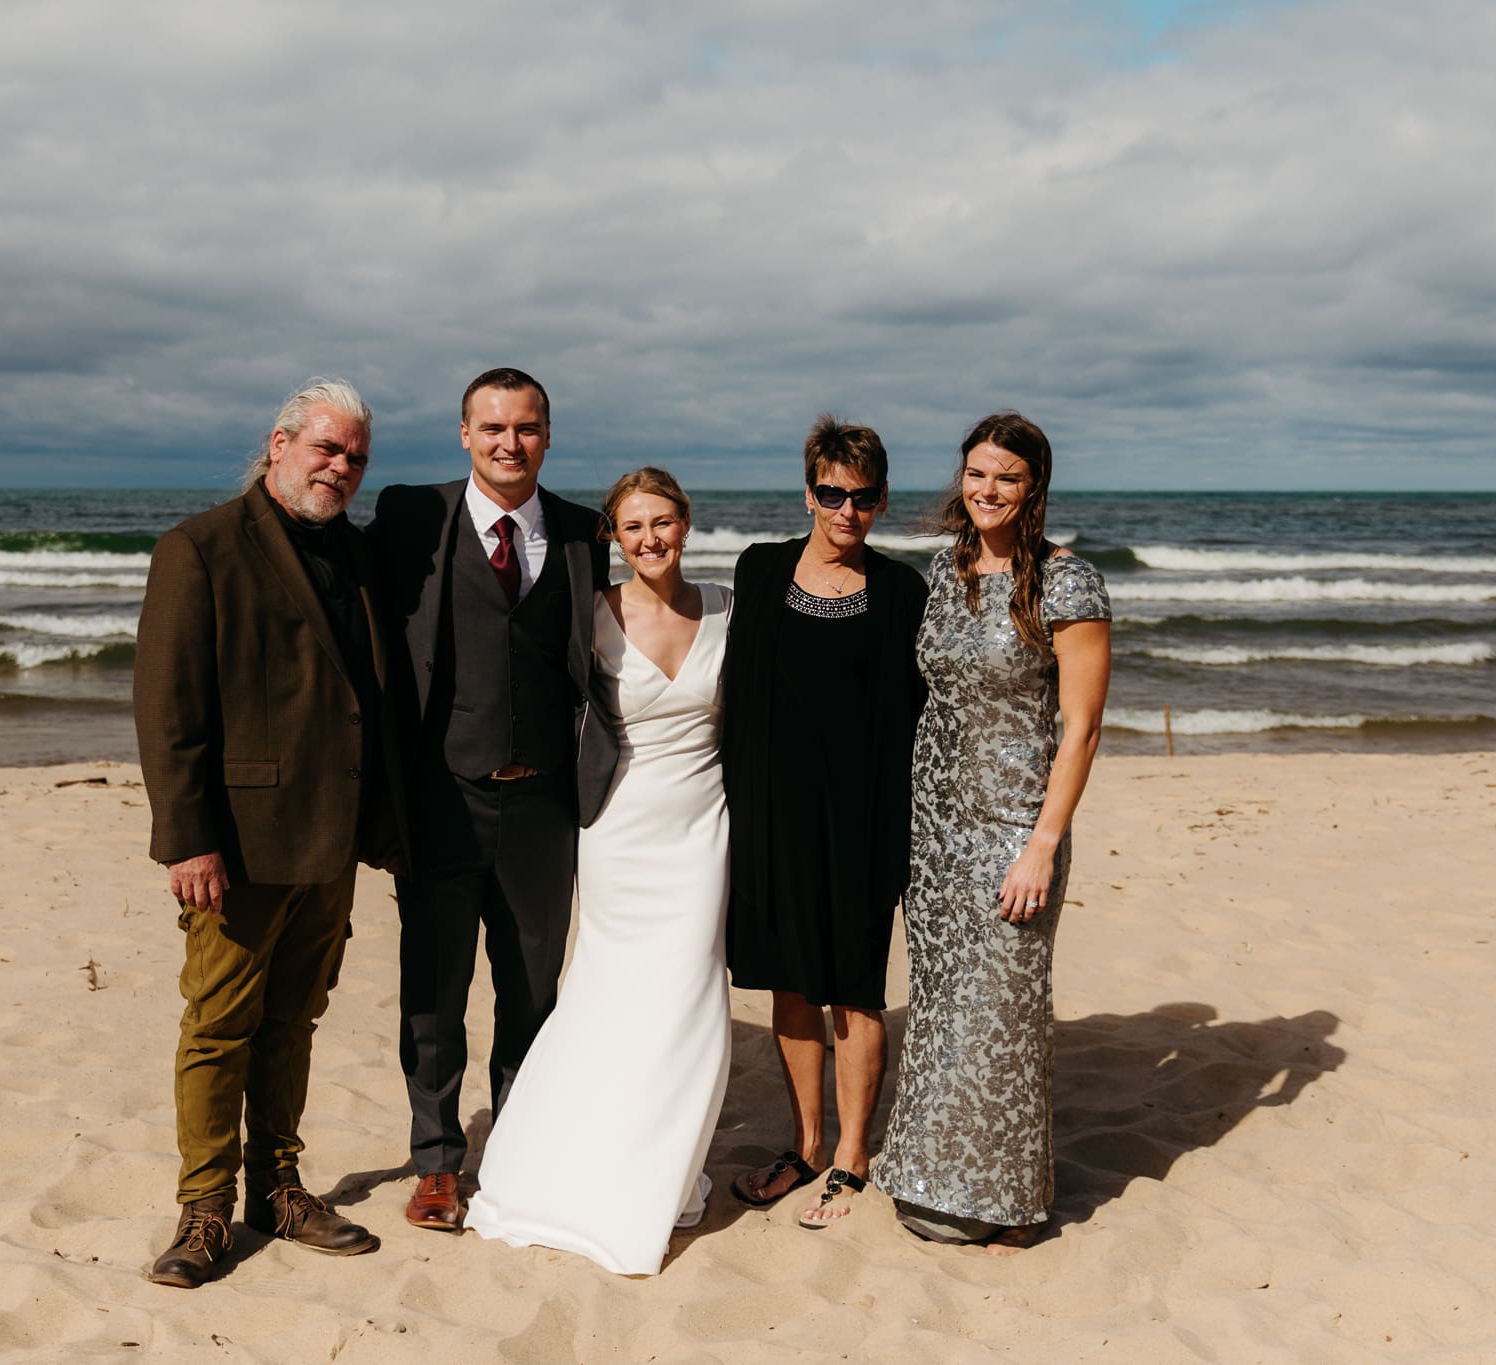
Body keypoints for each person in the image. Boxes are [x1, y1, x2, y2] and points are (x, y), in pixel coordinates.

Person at [133, 377, 410, 1288]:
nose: (341, 468)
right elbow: (168, 707)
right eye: (327, 449)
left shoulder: (357, 555)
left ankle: (278, 1188)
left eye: (356, 457)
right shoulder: (201, 548)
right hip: (238, 843)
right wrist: (187, 837)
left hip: (330, 839)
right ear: (279, 442)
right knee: (219, 1024)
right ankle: (205, 1209)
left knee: (295, 1019)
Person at [465, 468, 733, 1275]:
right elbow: (527, 692)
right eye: (633, 526)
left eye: (663, 521)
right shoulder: (593, 613)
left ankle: (665, 1158)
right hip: (620, 829)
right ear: (614, 536)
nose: (650, 538)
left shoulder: (729, 605)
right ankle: (573, 1159)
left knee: (689, 997)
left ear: (686, 522)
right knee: (609, 993)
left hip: (704, 828)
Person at [365, 368, 610, 1232]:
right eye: (494, 428)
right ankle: (436, 1162)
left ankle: (517, 1143)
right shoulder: (410, 515)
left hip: (544, 806)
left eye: (529, 428)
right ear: (464, 435)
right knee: (434, 989)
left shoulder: (584, 531)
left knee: (532, 989)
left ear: (549, 435)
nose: (512, 443)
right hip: (442, 799)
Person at [874, 411, 1112, 1254]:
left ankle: (1010, 1199)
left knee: (1006, 1007)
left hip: (1015, 822)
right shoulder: (944, 573)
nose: (988, 490)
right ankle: (938, 1178)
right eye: (977, 473)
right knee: (945, 1005)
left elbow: (1080, 728)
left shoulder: (1068, 582)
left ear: (1033, 487)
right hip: (934, 823)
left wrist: (1042, 841)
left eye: (1006, 477)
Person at [722, 414, 928, 1228]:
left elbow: (921, 710)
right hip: (775, 817)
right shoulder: (762, 568)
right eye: (833, 493)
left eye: (864, 496)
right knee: (793, 983)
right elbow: (734, 689)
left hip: (862, 819)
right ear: (809, 492)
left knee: (854, 988)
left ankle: (852, 1156)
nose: (848, 510)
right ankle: (807, 1144)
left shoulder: (901, 589)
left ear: (880, 499)